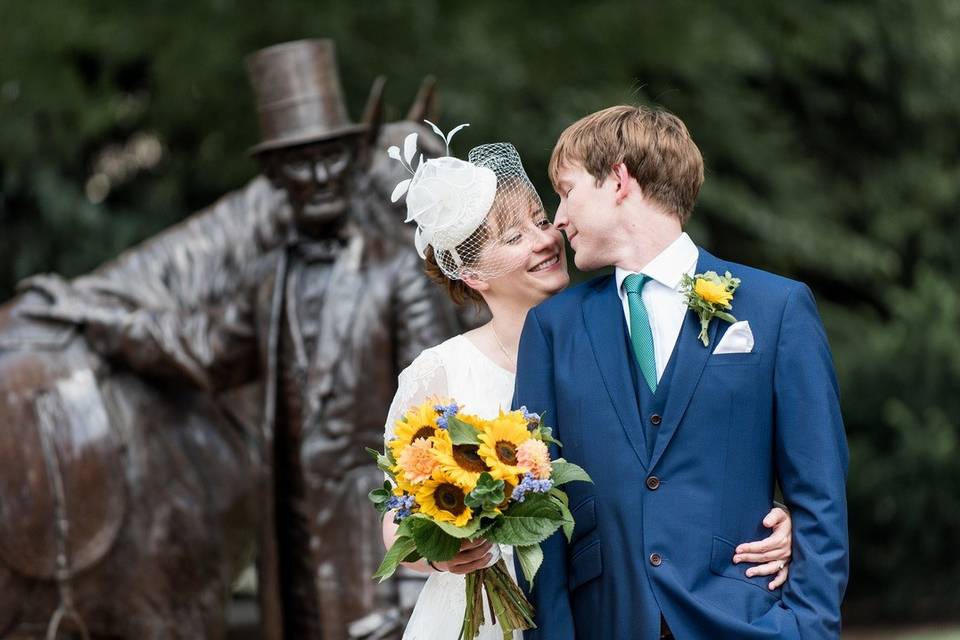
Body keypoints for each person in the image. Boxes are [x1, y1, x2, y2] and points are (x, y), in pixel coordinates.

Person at [381, 131, 794, 639]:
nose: (546, 237)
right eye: (514, 238)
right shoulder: (439, 372)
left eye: (539, 220)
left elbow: (672, 453)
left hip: (594, 611)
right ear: (471, 274)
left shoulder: (622, 323)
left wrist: (766, 514)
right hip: (484, 616)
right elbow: (398, 518)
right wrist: (448, 550)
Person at [513, 105, 849, 639]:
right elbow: (537, 512)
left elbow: (821, 494)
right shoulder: (553, 329)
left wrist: (807, 628)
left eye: (568, 190)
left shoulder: (775, 308)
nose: (558, 217)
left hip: (747, 621)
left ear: (619, 180)